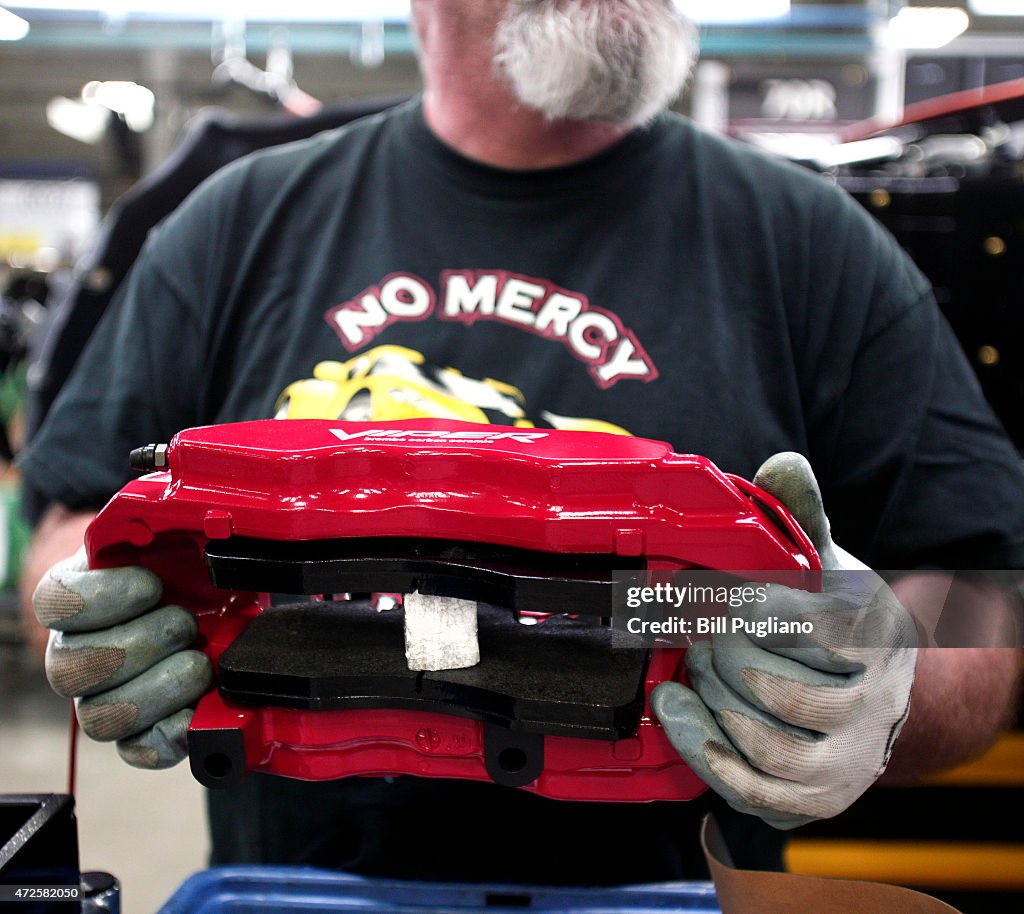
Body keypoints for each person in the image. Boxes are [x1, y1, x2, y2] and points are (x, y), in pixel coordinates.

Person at [19, 0, 1024, 885]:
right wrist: (97, 613)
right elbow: (72, 527)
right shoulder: (234, 225)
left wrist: (881, 682)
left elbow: (989, 600)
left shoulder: (813, 245)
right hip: (295, 891)